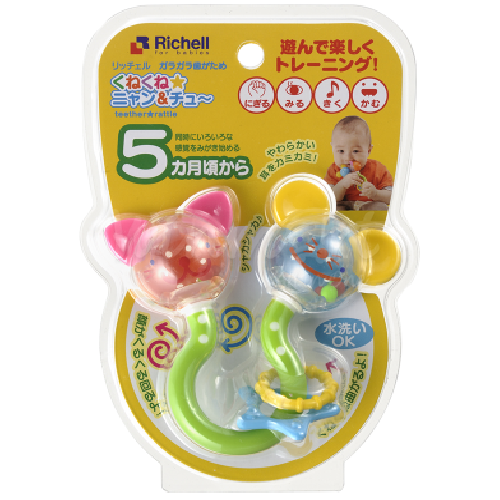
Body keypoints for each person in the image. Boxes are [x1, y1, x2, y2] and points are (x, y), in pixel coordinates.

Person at [324, 116, 393, 211]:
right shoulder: (333, 170)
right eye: (341, 151)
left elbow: (393, 198)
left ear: (368, 150)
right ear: (333, 149)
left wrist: (376, 194)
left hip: (368, 205)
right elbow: (329, 198)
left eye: (355, 151)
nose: (348, 158)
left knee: (380, 207)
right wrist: (342, 185)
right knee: (332, 209)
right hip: (343, 206)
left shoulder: (379, 169)